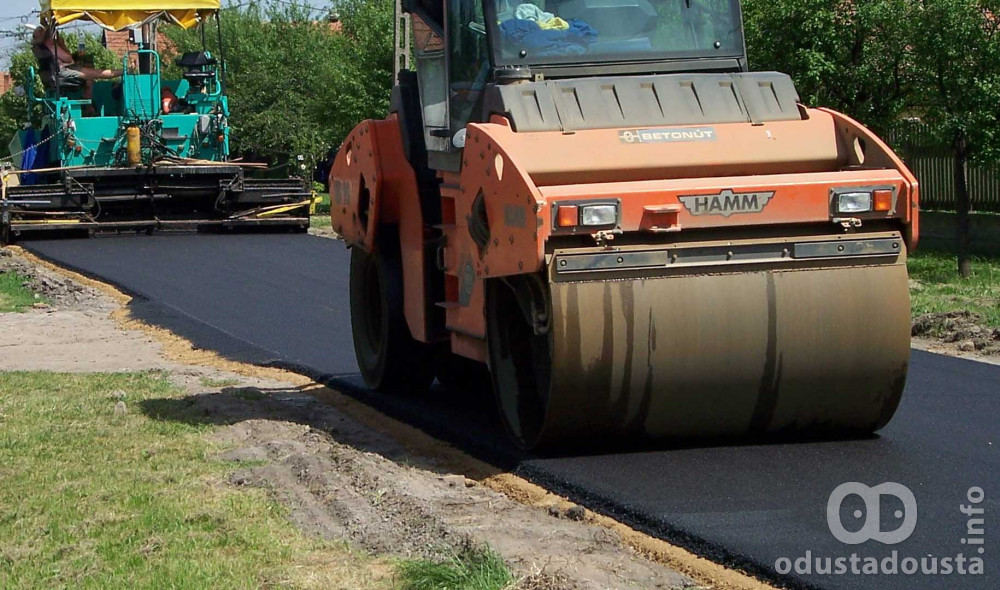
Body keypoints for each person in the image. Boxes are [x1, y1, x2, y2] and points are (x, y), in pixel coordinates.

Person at [31, 25, 122, 112]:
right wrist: (60, 42)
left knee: (88, 80)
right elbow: (68, 58)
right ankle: (123, 71)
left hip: (50, 77)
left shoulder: (37, 47)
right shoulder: (48, 45)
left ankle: (88, 106)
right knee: (94, 74)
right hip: (59, 75)